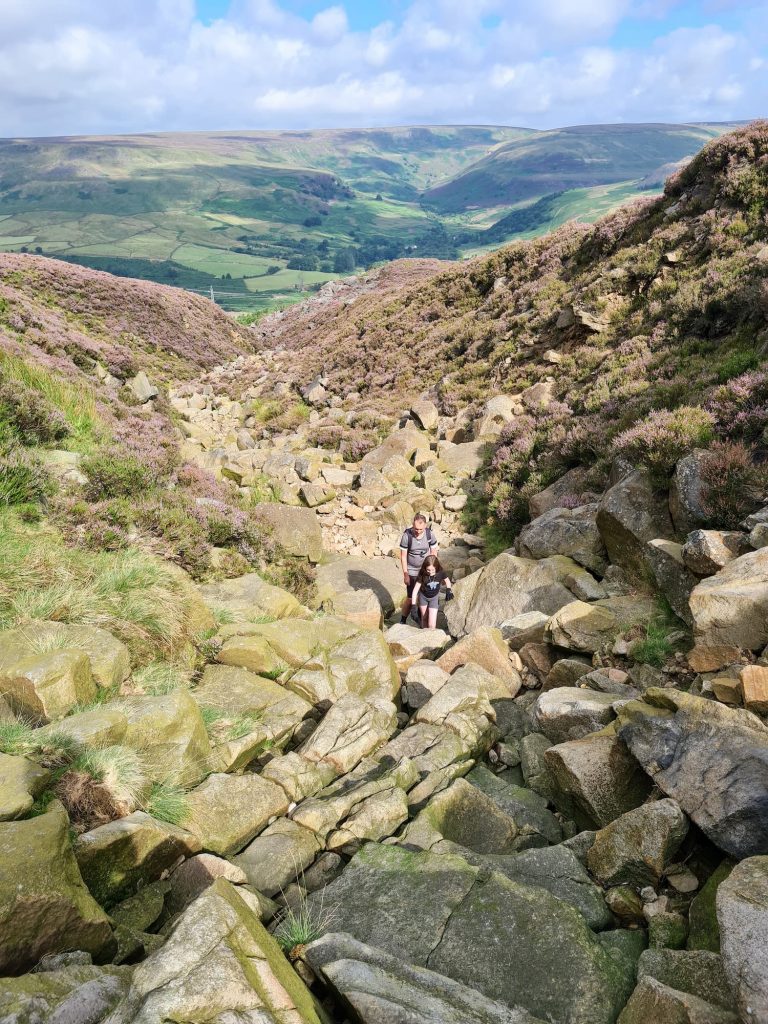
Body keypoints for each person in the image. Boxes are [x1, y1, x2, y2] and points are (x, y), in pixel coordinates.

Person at [399, 513, 438, 624]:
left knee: (423, 596)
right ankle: (403, 619)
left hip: (425, 571)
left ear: (425, 526)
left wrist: (433, 569)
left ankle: (422, 620)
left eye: (421, 529)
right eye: (416, 528)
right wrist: (405, 574)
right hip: (411, 571)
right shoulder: (407, 536)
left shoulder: (430, 535)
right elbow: (403, 556)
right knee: (411, 597)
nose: (418, 531)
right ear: (413, 525)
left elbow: (434, 552)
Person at [411, 555, 453, 629]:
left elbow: (447, 581)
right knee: (424, 618)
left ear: (436, 567)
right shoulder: (422, 573)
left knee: (431, 624)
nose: (430, 572)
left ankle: (431, 635)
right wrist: (413, 606)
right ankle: (424, 633)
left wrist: (448, 590)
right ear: (425, 568)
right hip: (423, 597)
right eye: (428, 570)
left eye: (433, 570)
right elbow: (415, 590)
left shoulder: (441, 572)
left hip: (434, 598)